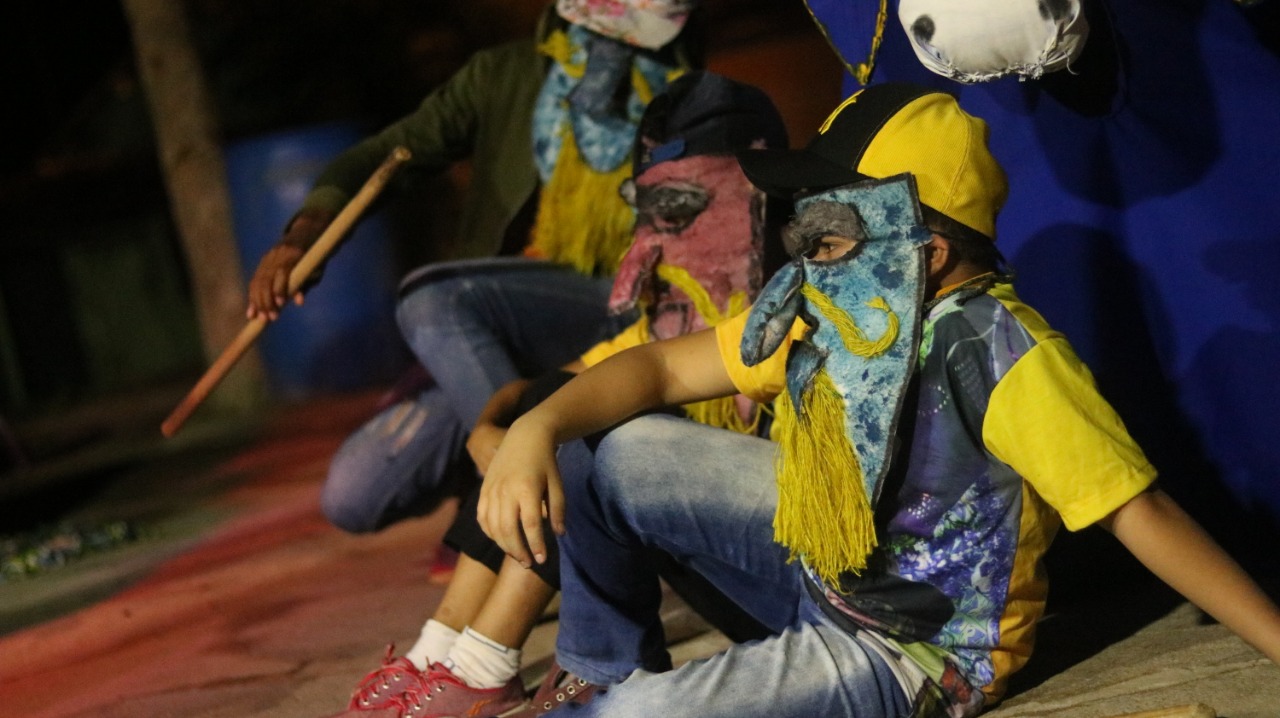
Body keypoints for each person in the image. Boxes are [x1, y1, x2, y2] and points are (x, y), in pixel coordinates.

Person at [476, 83, 1280, 717]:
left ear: (927, 253)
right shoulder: (836, 305)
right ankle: (597, 666)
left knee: (638, 717)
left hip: (908, 650)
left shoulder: (1002, 354)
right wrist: (535, 427)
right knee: (598, 443)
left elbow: (1138, 512)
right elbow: (658, 371)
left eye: (830, 240)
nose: (808, 264)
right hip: (822, 565)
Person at [332, 70, 788, 718]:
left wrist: (543, 428)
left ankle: (488, 664)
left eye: (682, 208)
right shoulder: (672, 319)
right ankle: (446, 650)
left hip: (800, 588)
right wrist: (505, 428)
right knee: (562, 407)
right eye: (646, 210)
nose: (654, 242)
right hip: (739, 566)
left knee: (590, 427)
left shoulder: (793, 309)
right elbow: (566, 386)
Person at [243, 1, 700, 536]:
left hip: (612, 313)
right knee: (354, 493)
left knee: (435, 298)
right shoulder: (507, 74)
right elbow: (384, 155)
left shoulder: (682, 92)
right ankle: (508, 492)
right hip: (496, 327)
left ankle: (530, 523)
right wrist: (302, 237)